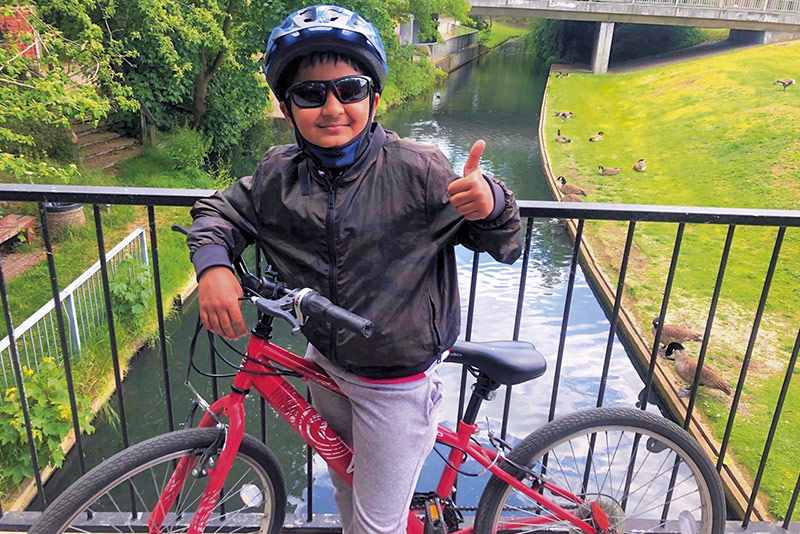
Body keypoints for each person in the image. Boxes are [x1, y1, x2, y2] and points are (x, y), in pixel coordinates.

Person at [187, 5, 521, 533]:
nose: (332, 107)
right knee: (346, 489)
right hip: (327, 362)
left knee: (374, 526)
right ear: (286, 105)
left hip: (396, 381)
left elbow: (502, 244)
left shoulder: (419, 168)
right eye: (310, 93)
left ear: (375, 98)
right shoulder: (278, 174)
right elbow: (219, 211)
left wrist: (492, 203)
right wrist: (212, 266)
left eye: (350, 89)